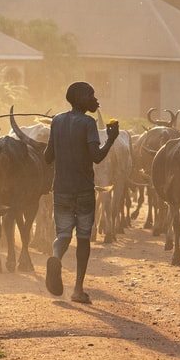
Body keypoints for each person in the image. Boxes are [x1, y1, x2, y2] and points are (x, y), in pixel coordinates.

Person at [44, 81, 120, 303]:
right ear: (80, 100)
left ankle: (55, 257)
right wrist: (111, 140)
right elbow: (96, 156)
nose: (95, 100)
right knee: (84, 238)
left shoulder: (57, 121)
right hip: (84, 191)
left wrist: (60, 144)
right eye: (91, 96)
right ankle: (78, 289)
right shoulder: (88, 123)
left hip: (61, 190)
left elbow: (48, 157)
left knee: (63, 235)